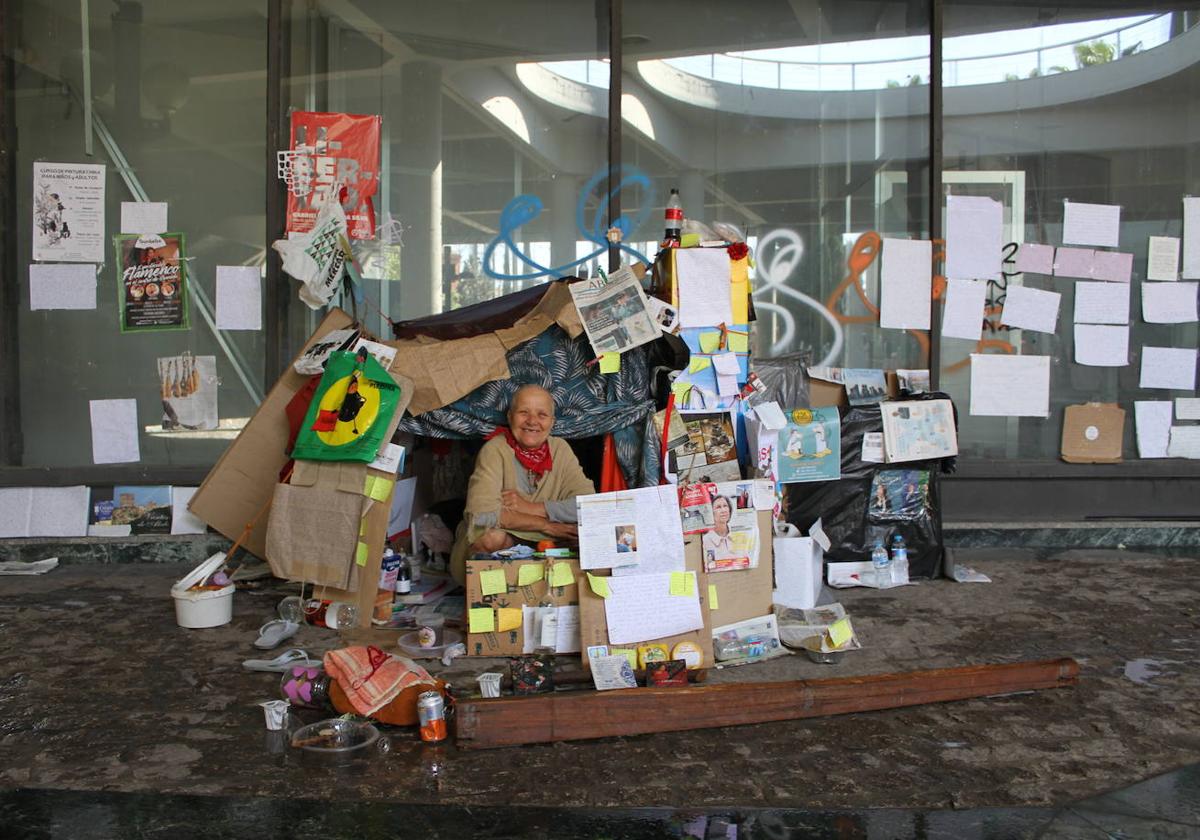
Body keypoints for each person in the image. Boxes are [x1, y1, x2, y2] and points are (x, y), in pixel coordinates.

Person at [449, 384, 595, 583]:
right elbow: (482, 515)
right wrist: (548, 526)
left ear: (552, 422)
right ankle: (493, 600)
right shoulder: (495, 450)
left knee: (588, 536)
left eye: (542, 415)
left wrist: (531, 508)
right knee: (490, 538)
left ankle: (557, 597)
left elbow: (589, 506)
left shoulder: (560, 449)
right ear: (510, 417)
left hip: (548, 543)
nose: (532, 421)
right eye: (523, 412)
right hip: (510, 542)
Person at [701, 495, 737, 564]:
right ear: (711, 513)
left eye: (725, 506)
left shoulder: (738, 536)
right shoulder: (705, 540)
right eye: (718, 507)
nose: (723, 510)